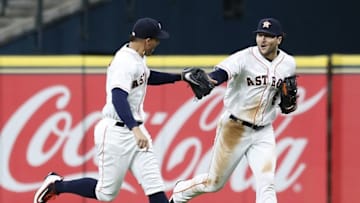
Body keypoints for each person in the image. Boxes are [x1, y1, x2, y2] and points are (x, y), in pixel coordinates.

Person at [34, 17, 185, 203]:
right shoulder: (124, 62)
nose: (158, 43)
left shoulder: (137, 58)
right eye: (156, 39)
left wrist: (180, 77)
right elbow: (118, 96)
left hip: (135, 132)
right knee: (106, 194)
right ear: (147, 41)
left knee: (156, 189)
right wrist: (134, 129)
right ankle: (57, 185)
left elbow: (146, 76)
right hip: (116, 132)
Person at [169, 17, 297, 203]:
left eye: (268, 36)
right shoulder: (244, 57)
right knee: (214, 184)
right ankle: (181, 191)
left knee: (267, 182)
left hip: (264, 131)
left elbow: (288, 96)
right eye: (260, 35)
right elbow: (220, 74)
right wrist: (211, 80)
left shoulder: (288, 63)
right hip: (235, 128)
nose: (262, 40)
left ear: (279, 39)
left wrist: (288, 102)